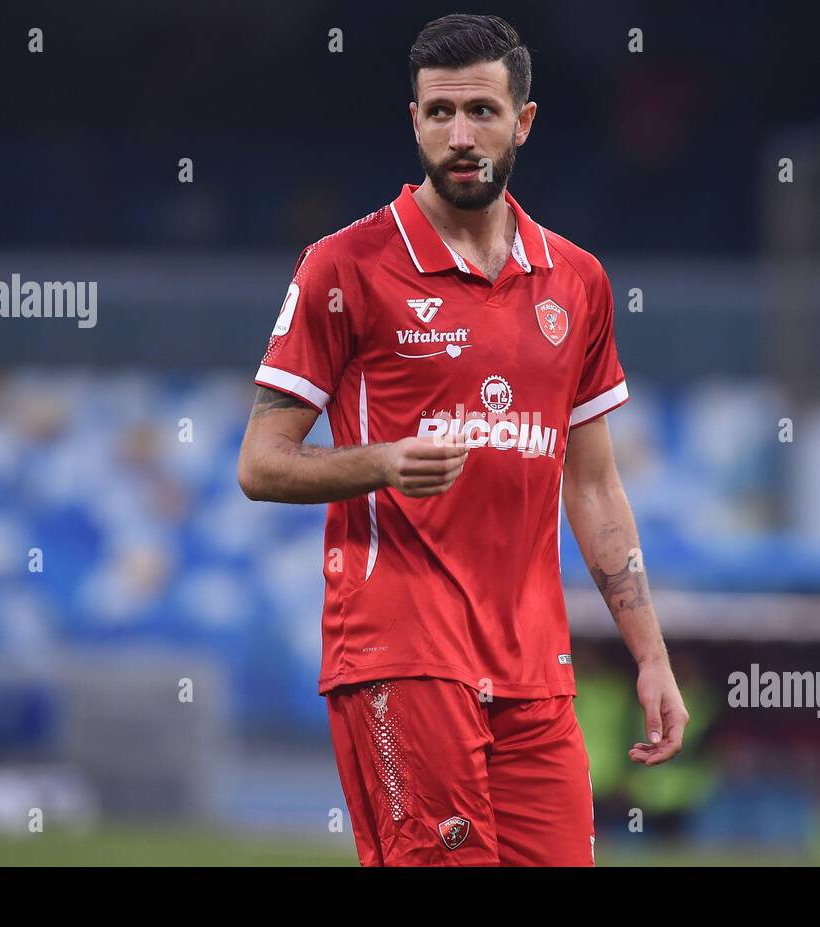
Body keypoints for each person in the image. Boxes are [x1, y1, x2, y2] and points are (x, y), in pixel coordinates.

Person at [237, 14, 687, 866]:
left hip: (535, 673)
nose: (459, 135)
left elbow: (591, 488)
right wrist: (380, 464)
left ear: (523, 121)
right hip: (400, 653)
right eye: (439, 114)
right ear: (414, 123)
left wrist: (650, 659)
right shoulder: (345, 266)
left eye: (481, 111)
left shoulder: (578, 281)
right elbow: (259, 463)